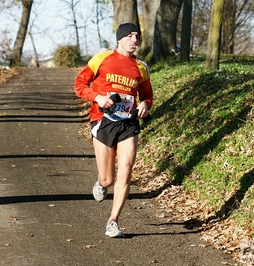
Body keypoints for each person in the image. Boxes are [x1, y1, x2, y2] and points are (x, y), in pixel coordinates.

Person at [74, 23, 153, 238]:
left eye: (137, 36)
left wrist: (145, 105)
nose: (134, 40)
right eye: (129, 36)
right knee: (108, 179)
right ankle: (101, 183)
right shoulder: (102, 59)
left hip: (128, 122)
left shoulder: (141, 67)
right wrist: (97, 97)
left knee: (126, 170)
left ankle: (113, 221)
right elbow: (80, 83)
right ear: (119, 39)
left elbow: (147, 95)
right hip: (103, 120)